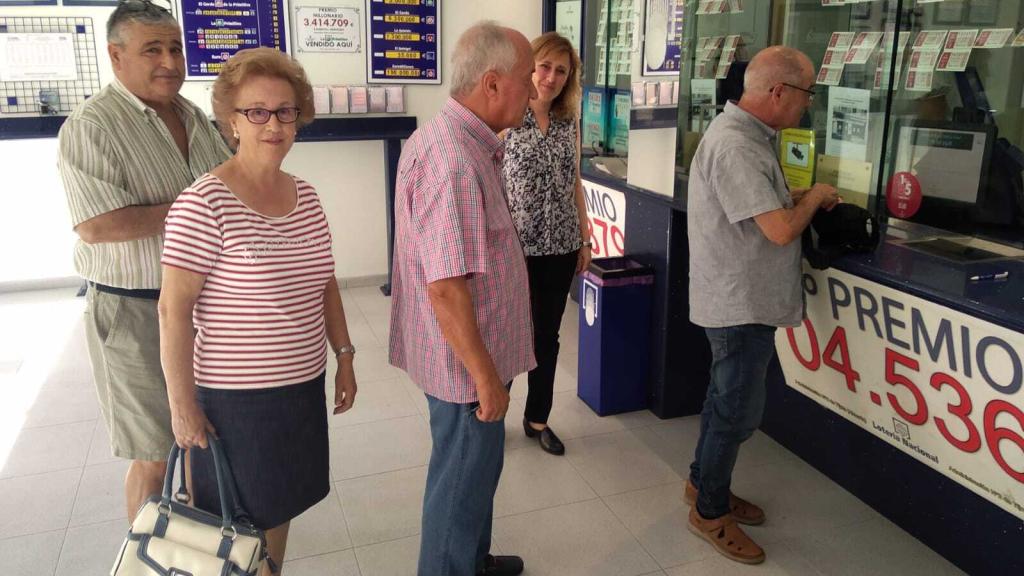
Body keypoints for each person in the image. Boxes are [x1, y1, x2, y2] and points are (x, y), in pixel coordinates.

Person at [157, 47, 358, 575]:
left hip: (298, 391)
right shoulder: (204, 202)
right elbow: (172, 311)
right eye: (257, 112)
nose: (274, 124)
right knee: (230, 530)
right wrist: (182, 406)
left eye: (286, 111)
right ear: (232, 120)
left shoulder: (306, 196)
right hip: (234, 405)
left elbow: (326, 283)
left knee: (277, 513)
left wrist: (345, 356)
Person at [57, 0, 231, 522]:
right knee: (155, 452)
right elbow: (97, 224)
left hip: (204, 310)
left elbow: (227, 185)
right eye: (152, 49)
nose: (170, 62)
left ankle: (203, 537)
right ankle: (145, 555)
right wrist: (192, 207)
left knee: (204, 436)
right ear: (115, 55)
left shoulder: (194, 115)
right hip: (133, 312)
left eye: (175, 48)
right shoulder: (93, 125)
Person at [388, 21, 537, 576]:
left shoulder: (466, 143)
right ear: (493, 84)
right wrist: (484, 375)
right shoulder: (453, 159)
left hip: (476, 354)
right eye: (527, 80)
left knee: (476, 472)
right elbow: (446, 287)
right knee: (460, 478)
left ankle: (471, 559)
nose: (536, 91)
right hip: (465, 365)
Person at [685, 46, 840, 565]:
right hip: (739, 304)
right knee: (735, 412)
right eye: (806, 94)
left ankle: (702, 485)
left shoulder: (750, 138)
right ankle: (709, 512)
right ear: (778, 92)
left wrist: (797, 200)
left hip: (740, 298)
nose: (807, 106)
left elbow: (759, 212)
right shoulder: (737, 146)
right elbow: (777, 231)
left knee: (721, 402)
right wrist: (814, 197)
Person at [501, 31, 591, 456]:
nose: (551, 77)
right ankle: (492, 410)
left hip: (561, 246)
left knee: (546, 337)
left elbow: (574, 181)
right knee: (506, 332)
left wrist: (585, 239)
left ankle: (538, 418)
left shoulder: (568, 121)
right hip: (514, 250)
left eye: (561, 70)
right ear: (529, 66)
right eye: (544, 66)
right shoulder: (504, 119)